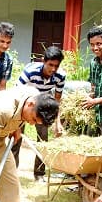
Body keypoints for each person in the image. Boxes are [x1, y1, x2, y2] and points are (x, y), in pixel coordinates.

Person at [12, 46, 66, 182]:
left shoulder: (60, 76)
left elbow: (57, 100)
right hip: (24, 106)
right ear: (43, 61)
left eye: (56, 66)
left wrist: (57, 122)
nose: (53, 69)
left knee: (43, 140)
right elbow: (16, 94)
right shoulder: (30, 72)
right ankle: (12, 172)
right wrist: (16, 121)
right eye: (50, 65)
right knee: (16, 139)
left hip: (43, 108)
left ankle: (39, 174)